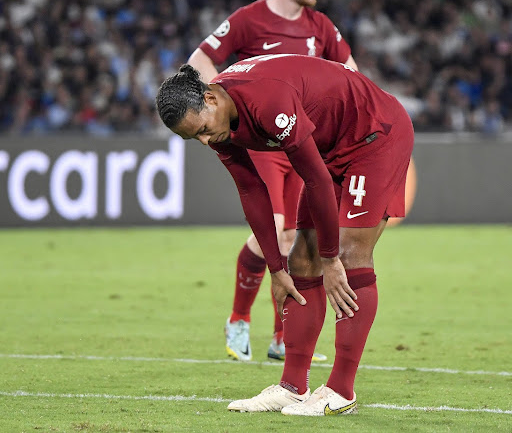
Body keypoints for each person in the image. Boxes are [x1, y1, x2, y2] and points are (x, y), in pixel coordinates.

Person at [155, 54, 414, 415]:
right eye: (193, 138)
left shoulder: (266, 101)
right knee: (299, 260)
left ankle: (341, 392)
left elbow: (317, 179)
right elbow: (250, 190)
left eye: (200, 130)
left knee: (349, 253)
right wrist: (276, 268)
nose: (203, 141)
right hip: (332, 148)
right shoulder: (218, 121)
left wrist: (331, 260)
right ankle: (293, 387)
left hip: (374, 135)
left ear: (210, 99)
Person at [187, 0, 357, 363]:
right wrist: (219, 102)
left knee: (296, 239)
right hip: (260, 140)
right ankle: (239, 319)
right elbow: (199, 60)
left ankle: (282, 338)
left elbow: (352, 75)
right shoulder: (249, 19)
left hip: (302, 144)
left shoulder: (321, 27)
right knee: (278, 234)